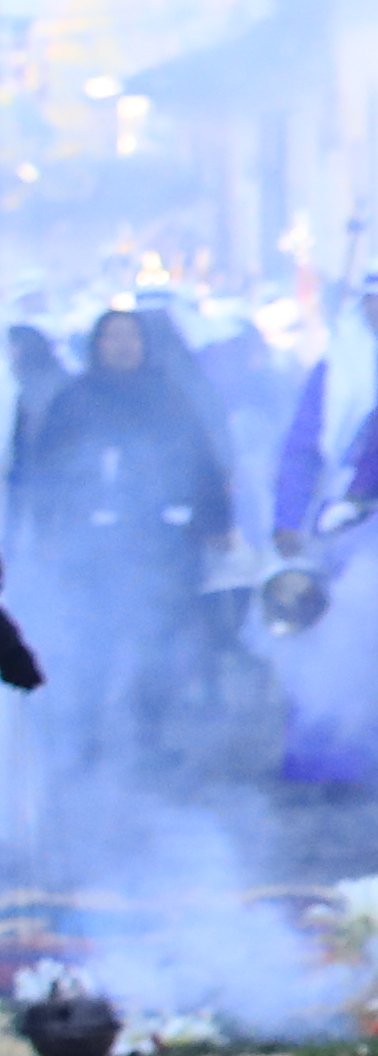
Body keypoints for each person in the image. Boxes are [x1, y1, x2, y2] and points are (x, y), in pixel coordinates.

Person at [8, 307, 232, 812]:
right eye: (113, 337)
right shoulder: (75, 401)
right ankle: (85, 742)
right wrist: (47, 531)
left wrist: (216, 523)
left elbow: (203, 462)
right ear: (97, 345)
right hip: (93, 545)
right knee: (95, 645)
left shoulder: (170, 397)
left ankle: (148, 739)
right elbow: (47, 470)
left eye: (132, 337)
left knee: (159, 644)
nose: (123, 346)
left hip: (163, 544)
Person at [269, 267, 378, 792]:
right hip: (341, 519)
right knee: (329, 634)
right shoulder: (336, 368)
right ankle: (323, 757)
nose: (376, 311)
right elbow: (303, 446)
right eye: (369, 301)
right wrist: (288, 515)